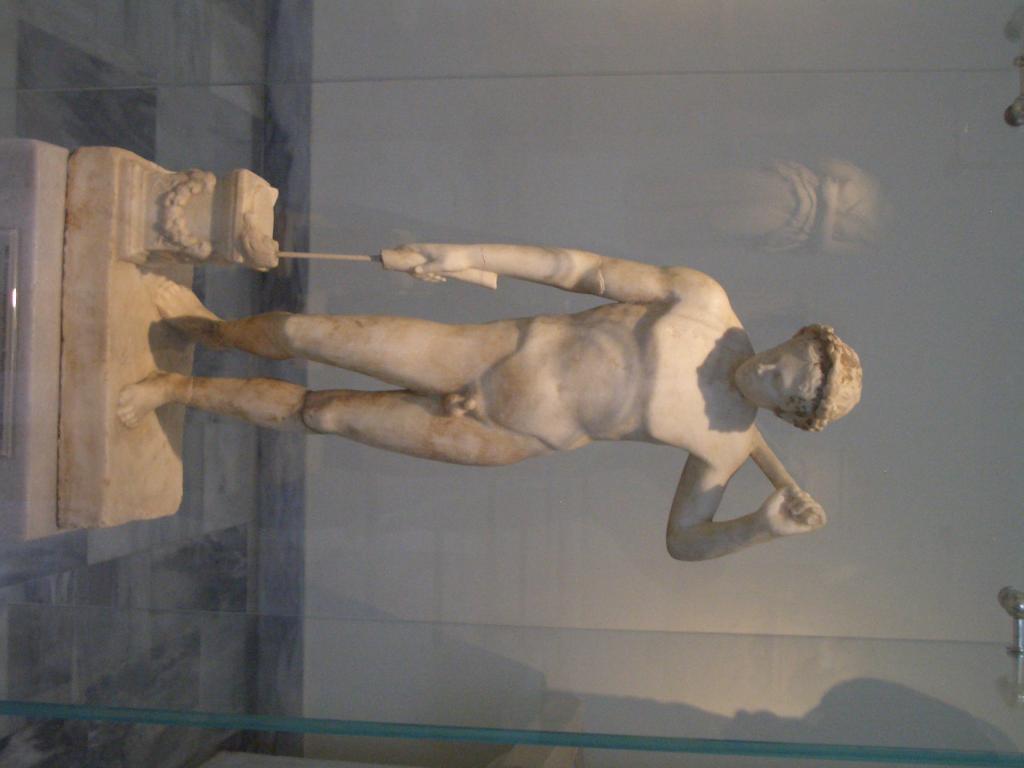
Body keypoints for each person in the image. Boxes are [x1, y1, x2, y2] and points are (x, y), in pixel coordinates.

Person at [118, 243, 862, 561]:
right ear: (792, 336)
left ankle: (178, 390)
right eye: (785, 355)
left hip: (511, 433)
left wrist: (759, 528)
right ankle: (207, 327)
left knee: (326, 413)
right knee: (303, 333)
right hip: (489, 353)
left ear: (788, 415)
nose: (767, 368)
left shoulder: (725, 443)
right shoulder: (704, 302)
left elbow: (684, 540)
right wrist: (467, 255)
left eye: (783, 386)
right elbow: (579, 270)